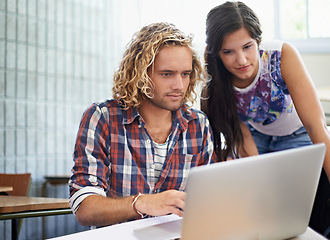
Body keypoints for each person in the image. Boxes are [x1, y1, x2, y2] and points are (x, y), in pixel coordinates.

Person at [201, 1, 330, 236]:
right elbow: (239, 132)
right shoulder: (217, 80)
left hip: (299, 134)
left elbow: (316, 126)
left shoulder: (281, 55)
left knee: (301, 200)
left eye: (247, 47)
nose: (241, 60)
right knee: (255, 195)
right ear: (216, 53)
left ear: (257, 41)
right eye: (228, 52)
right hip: (257, 135)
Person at [69, 22, 216, 227]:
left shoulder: (198, 125)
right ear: (140, 74)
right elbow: (85, 209)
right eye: (167, 74)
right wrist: (142, 203)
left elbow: (209, 203)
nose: (179, 86)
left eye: (185, 74)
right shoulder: (103, 117)